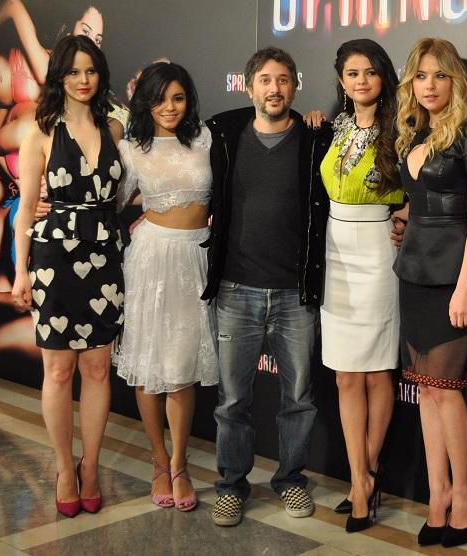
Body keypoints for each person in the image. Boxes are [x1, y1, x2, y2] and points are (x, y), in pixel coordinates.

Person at [202, 46, 332, 528]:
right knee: (232, 401)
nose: (274, 89)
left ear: (294, 86)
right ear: (249, 86)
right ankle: (231, 486)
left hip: (295, 294)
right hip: (236, 290)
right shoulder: (224, 134)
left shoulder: (315, 138)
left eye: (282, 80)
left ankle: (291, 479)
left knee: (298, 399)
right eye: (265, 80)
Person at [10, 35, 124, 518]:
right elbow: (25, 210)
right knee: (58, 371)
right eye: (74, 71)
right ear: (59, 75)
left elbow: (125, 192)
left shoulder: (114, 126)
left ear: (100, 75)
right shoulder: (39, 131)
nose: (83, 80)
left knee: (97, 369)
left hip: (105, 256)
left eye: (90, 70)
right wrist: (20, 272)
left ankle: (90, 466)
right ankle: (63, 468)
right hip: (55, 260)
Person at [394, 37, 467, 548]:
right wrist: (403, 217)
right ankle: (436, 498)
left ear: (455, 80)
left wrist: (464, 288)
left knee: (447, 390)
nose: (429, 85)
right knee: (426, 391)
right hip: (413, 273)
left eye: (439, 75)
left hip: (454, 279)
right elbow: (421, 202)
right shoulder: (414, 134)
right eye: (420, 76)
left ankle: (464, 495)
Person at [112, 62, 217, 512]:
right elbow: (111, 199)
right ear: (145, 103)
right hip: (152, 259)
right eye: (159, 99)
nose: (170, 107)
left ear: (189, 100)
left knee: (180, 368)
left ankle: (180, 463)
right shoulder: (131, 149)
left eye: (178, 98)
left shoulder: (205, 139)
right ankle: (159, 461)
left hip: (196, 258)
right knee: (150, 364)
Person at [313, 38, 403, 533]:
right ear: (341, 81)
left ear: (383, 77)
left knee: (377, 372)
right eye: (352, 73)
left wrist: (407, 213)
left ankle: (364, 478)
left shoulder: (403, 128)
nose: (361, 80)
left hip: (379, 251)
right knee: (346, 376)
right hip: (335, 251)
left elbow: (424, 186)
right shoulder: (335, 127)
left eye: (370, 71)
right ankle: (360, 477)